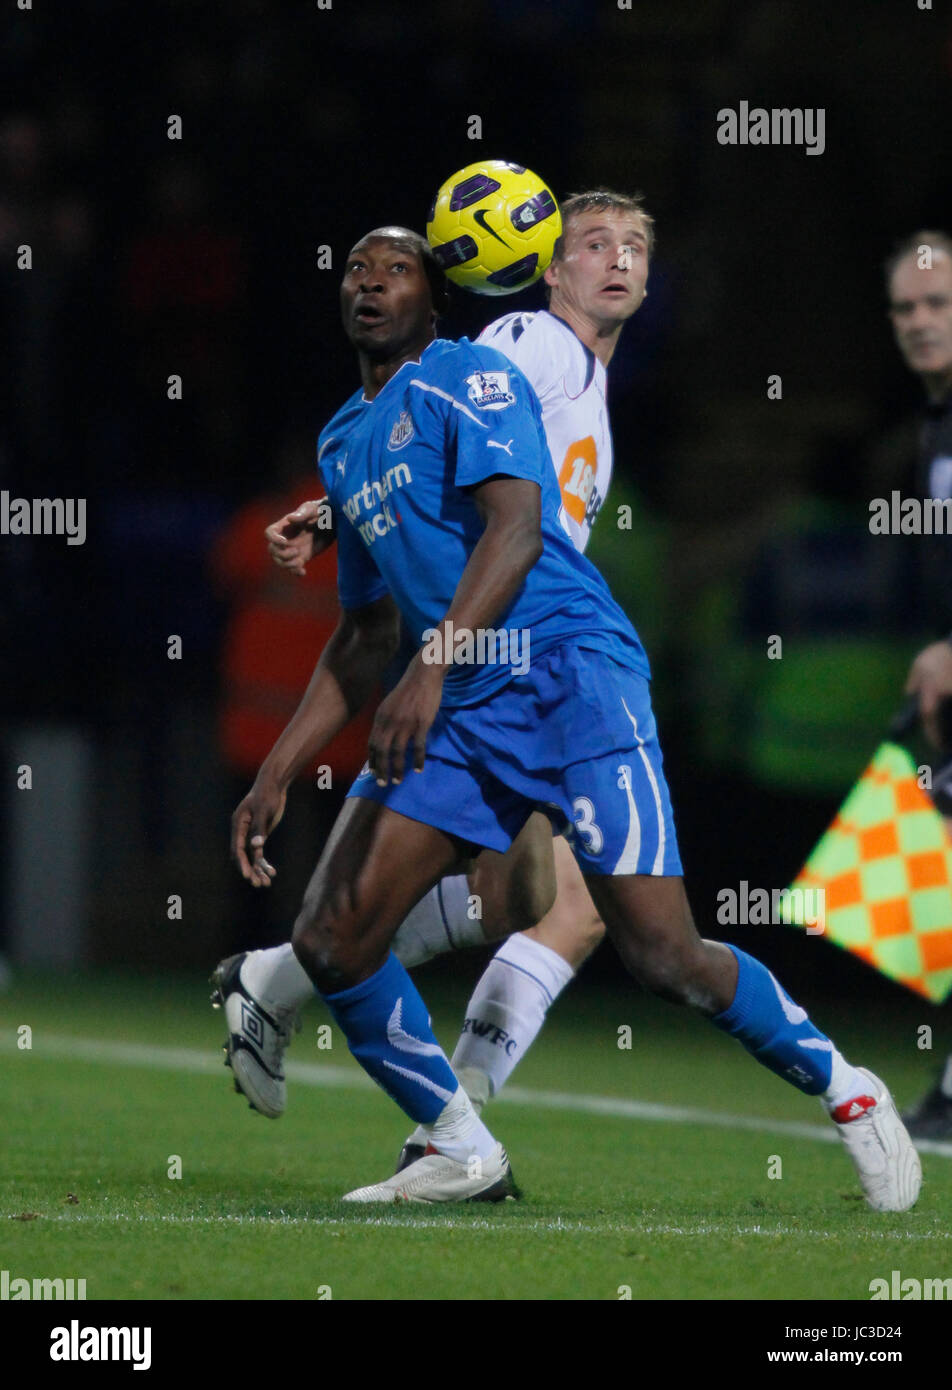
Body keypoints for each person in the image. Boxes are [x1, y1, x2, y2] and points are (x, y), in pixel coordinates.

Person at [220, 223, 918, 1208]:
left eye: (397, 269)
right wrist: (278, 768)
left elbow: (514, 528)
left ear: (438, 296)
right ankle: (461, 1146)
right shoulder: (343, 439)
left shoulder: (478, 370)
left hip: (570, 676)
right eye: (355, 270)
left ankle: (847, 1090)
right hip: (460, 702)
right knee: (337, 936)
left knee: (662, 953)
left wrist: (433, 666)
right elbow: (367, 626)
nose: (371, 282)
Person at [215, 192, 653, 1149]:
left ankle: (304, 996)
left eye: (632, 246)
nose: (614, 258)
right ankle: (448, 1124)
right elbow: (432, 413)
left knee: (530, 901)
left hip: (521, 652)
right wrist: (338, 511)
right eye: (591, 244)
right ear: (544, 260)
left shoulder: (585, 382)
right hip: (487, 654)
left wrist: (337, 511)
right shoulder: (533, 342)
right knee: (574, 906)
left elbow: (426, 444)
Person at [887, 229, 952, 1139]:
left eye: (937, 304)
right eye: (904, 307)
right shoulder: (932, 426)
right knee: (918, 876)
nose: (918, 322)